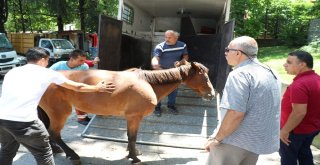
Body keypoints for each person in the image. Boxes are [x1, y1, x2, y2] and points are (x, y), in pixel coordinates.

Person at [0, 47, 115, 165]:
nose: (47, 63)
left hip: (2, 120)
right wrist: (97, 88)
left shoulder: (13, 71)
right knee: (44, 154)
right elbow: (77, 87)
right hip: (25, 123)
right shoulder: (46, 72)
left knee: (6, 151)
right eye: (47, 60)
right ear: (42, 60)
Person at [204, 36, 281, 165]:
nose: (225, 53)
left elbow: (235, 113)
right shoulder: (271, 72)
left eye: (228, 49)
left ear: (238, 53)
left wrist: (217, 139)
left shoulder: (240, 74)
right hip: (254, 143)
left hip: (233, 142)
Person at [279, 51, 320, 165]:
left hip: (294, 132)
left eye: (289, 62)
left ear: (302, 64)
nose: (285, 65)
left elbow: (299, 113)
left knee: (288, 159)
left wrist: (285, 131)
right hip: (310, 129)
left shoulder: (300, 84)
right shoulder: (316, 79)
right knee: (304, 155)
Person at [151, 30, 189, 117]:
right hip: (161, 71)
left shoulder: (182, 45)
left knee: (173, 90)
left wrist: (180, 62)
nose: (167, 39)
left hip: (174, 71)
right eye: (166, 37)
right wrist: (155, 63)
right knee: (159, 90)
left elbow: (186, 56)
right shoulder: (160, 46)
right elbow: (155, 58)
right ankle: (157, 107)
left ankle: (171, 106)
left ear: (176, 38)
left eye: (169, 37)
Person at [50, 49, 93, 125]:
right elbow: (47, 76)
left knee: (81, 98)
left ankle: (82, 118)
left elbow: (85, 79)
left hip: (75, 87)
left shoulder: (84, 67)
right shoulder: (58, 66)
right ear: (71, 59)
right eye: (80, 60)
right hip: (60, 88)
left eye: (84, 60)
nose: (83, 63)